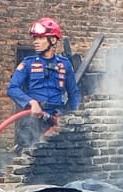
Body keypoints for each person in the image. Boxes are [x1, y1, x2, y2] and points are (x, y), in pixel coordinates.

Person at [6, 16, 80, 149]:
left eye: (40, 38)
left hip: (56, 118)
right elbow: (12, 88)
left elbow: (74, 94)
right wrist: (31, 102)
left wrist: (76, 118)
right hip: (33, 120)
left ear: (52, 40)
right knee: (29, 158)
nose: (36, 42)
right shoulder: (28, 63)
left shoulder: (65, 64)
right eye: (35, 38)